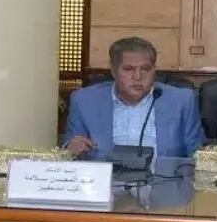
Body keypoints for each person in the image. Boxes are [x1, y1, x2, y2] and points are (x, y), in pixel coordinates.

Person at [63, 37, 204, 159]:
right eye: (128, 69)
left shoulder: (181, 101)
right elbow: (72, 147)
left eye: (145, 69)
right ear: (113, 71)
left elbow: (197, 155)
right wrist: (71, 147)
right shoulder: (84, 101)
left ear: (154, 70)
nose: (137, 77)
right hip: (104, 180)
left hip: (163, 180)